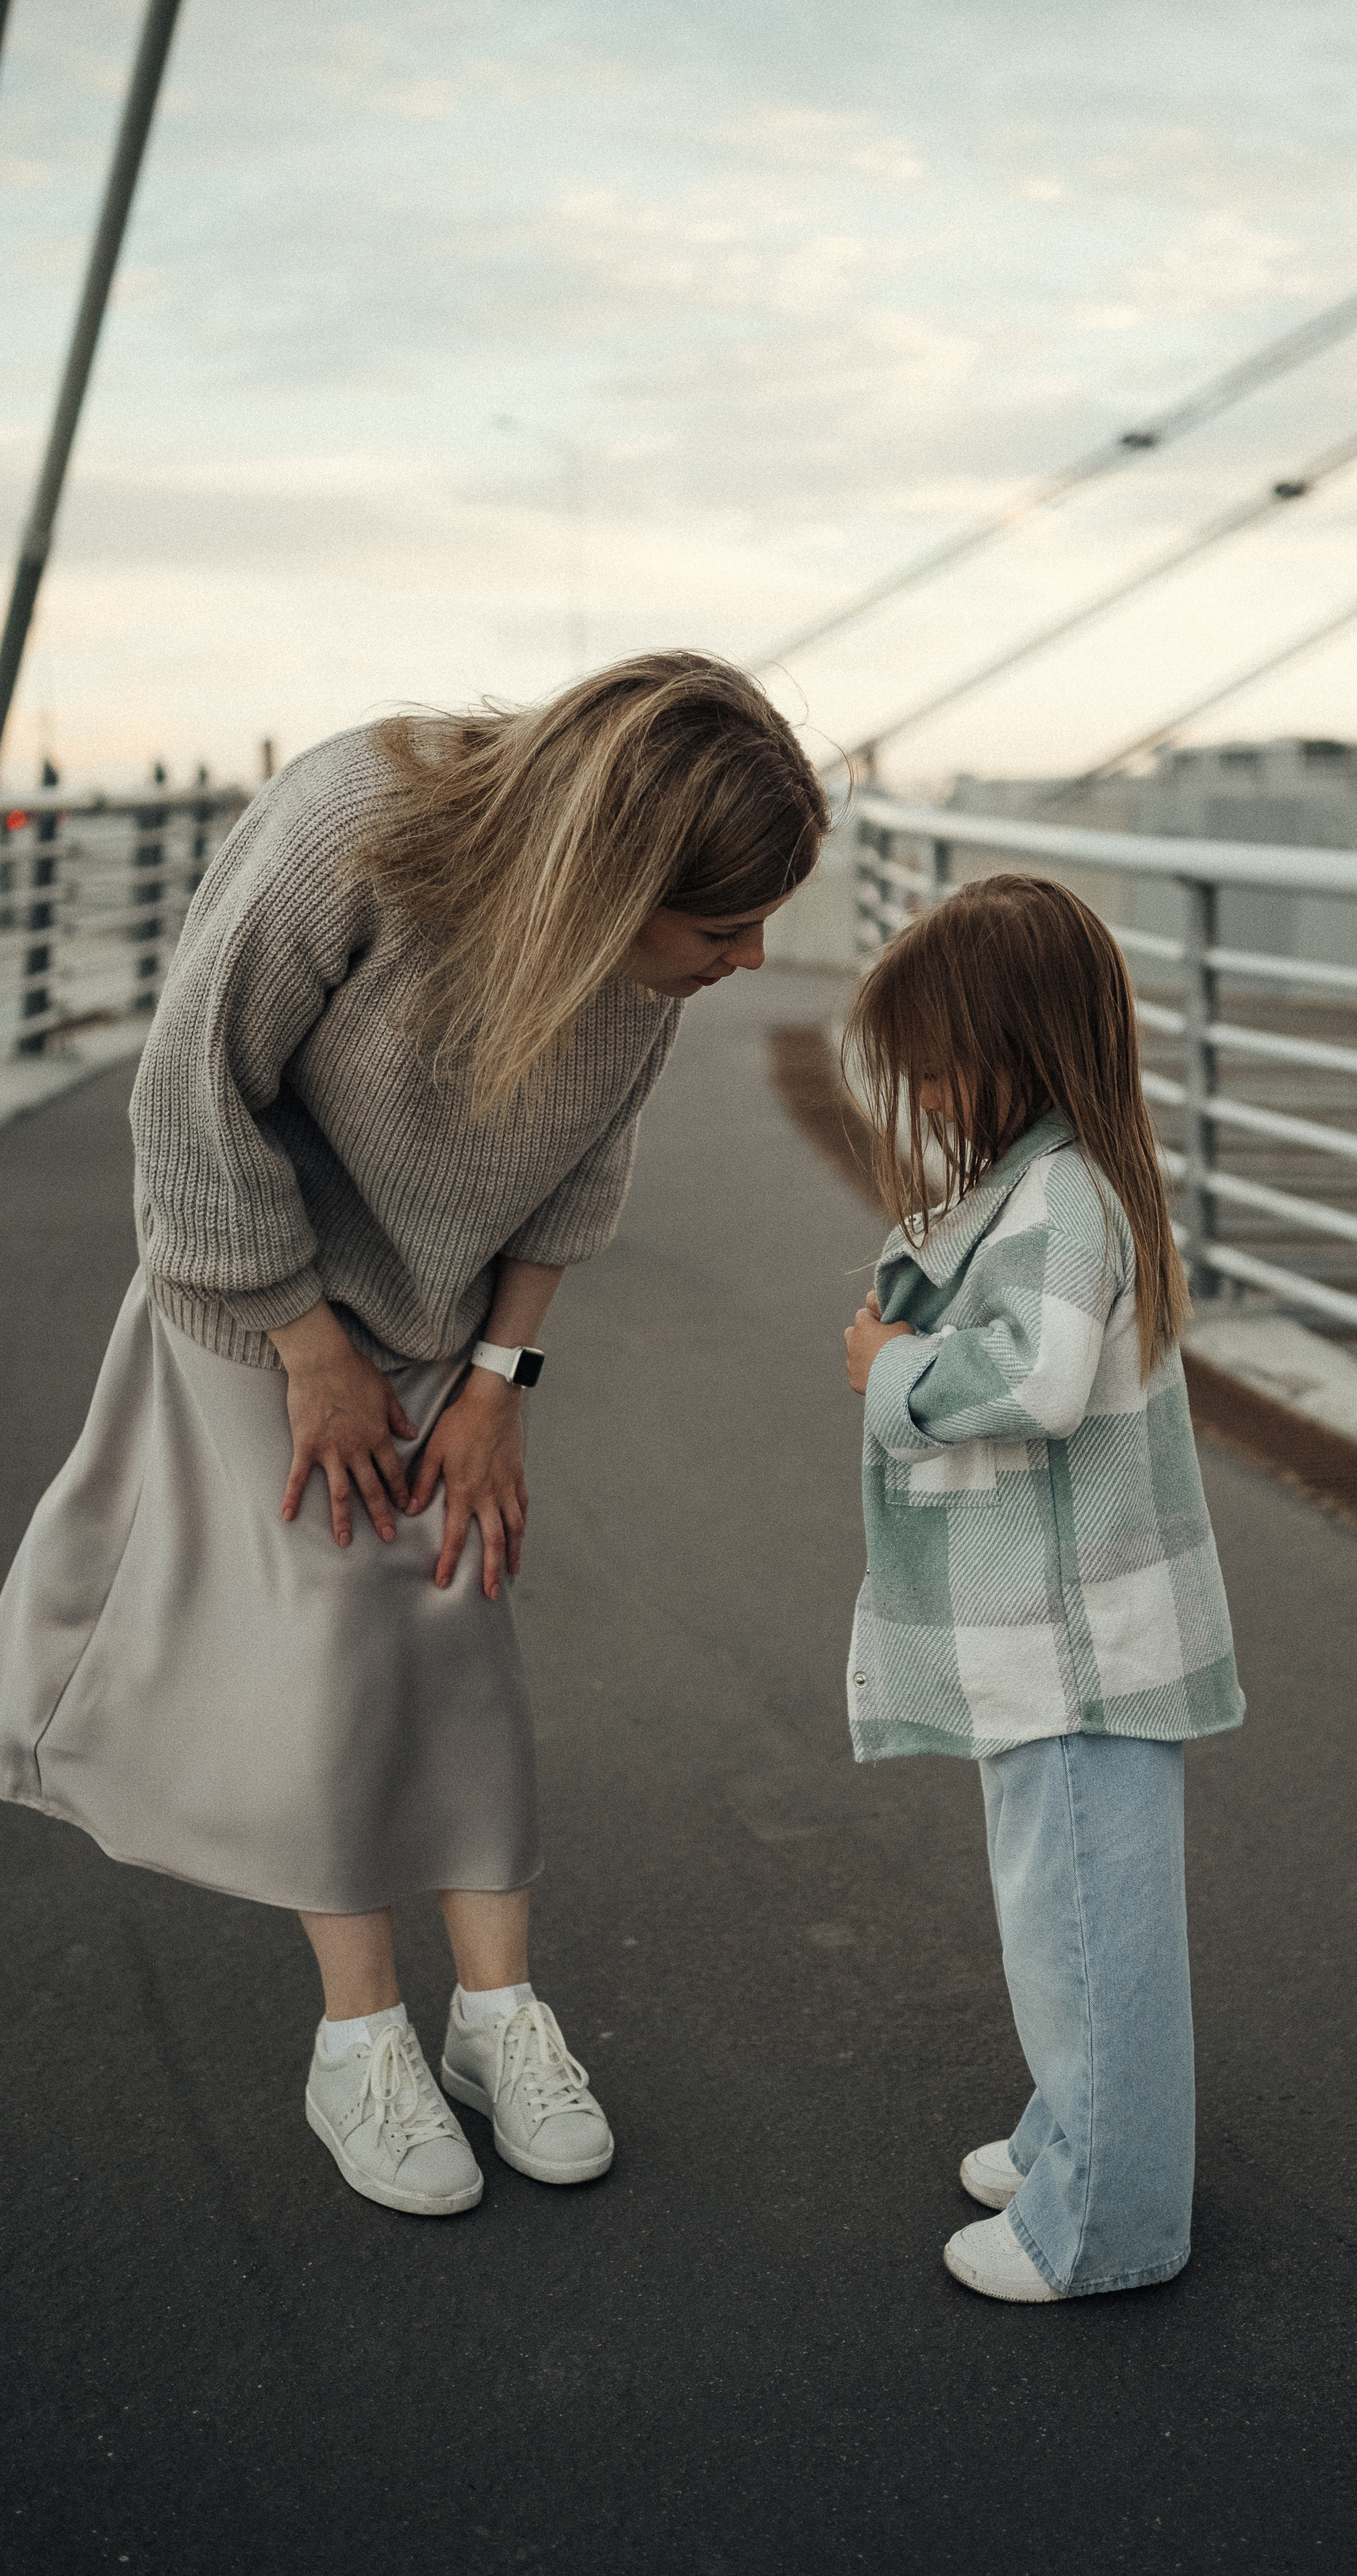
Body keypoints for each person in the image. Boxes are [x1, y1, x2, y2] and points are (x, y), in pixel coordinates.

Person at [0, 650, 828, 2219]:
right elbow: (184, 1102)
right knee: (334, 1633)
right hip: (259, 1292)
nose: (753, 955)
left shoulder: (635, 971)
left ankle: (497, 2019)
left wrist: (504, 1385)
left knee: (462, 1607)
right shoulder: (348, 829)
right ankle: (356, 2040)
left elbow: (582, 1168)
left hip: (449, 1322)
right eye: (724, 928)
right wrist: (306, 1346)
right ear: (612, 875)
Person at [839, 873, 1244, 2302]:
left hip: (1076, 1643)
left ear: (1023, 1044)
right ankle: (1076, 2128)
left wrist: (890, 1373)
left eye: (943, 1066)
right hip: (1071, 1631)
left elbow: (1039, 1375)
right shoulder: (1061, 1176)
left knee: (1082, 1922)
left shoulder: (1062, 1195)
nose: (933, 1097)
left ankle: (1106, 2221)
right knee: (1065, 1915)